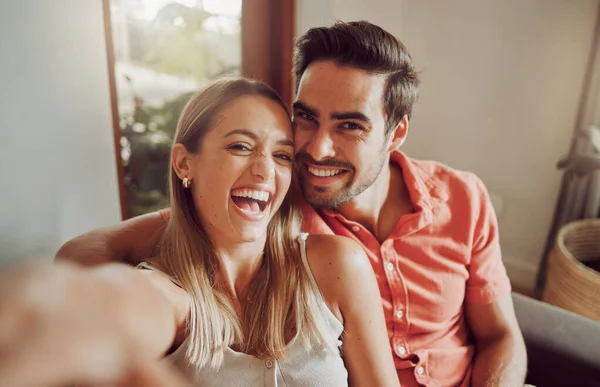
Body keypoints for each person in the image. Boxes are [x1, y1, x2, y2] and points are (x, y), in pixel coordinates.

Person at [57, 21, 528, 386]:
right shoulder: (272, 203)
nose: (316, 150)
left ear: (396, 132)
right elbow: (143, 240)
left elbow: (501, 335)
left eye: (349, 126)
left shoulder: (463, 197)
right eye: (306, 118)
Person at [0, 78, 399, 387]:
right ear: (184, 164)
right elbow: (126, 304)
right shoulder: (167, 291)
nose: (264, 171)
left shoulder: (336, 263)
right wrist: (73, 313)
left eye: (280, 155)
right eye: (241, 147)